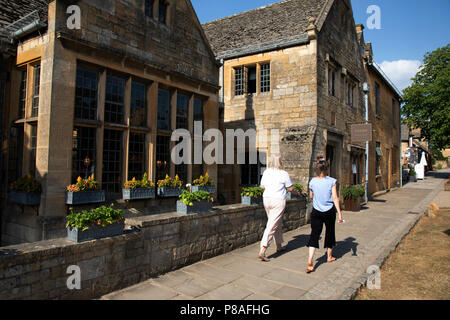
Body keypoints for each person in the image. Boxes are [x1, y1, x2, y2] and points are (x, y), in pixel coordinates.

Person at [258, 154, 299, 262]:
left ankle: (279, 245)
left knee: (276, 223)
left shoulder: (266, 172)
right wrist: (297, 192)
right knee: (272, 225)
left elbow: (262, 186)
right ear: (281, 162)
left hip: (267, 199)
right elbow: (290, 188)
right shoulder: (283, 173)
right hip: (278, 200)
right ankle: (263, 249)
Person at [306, 157, 344, 273]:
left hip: (316, 211)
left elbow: (311, 196)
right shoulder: (332, 181)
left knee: (314, 234)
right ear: (327, 168)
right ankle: (329, 257)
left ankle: (310, 260)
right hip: (329, 211)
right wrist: (340, 214)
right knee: (330, 232)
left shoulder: (312, 181)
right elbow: (335, 198)